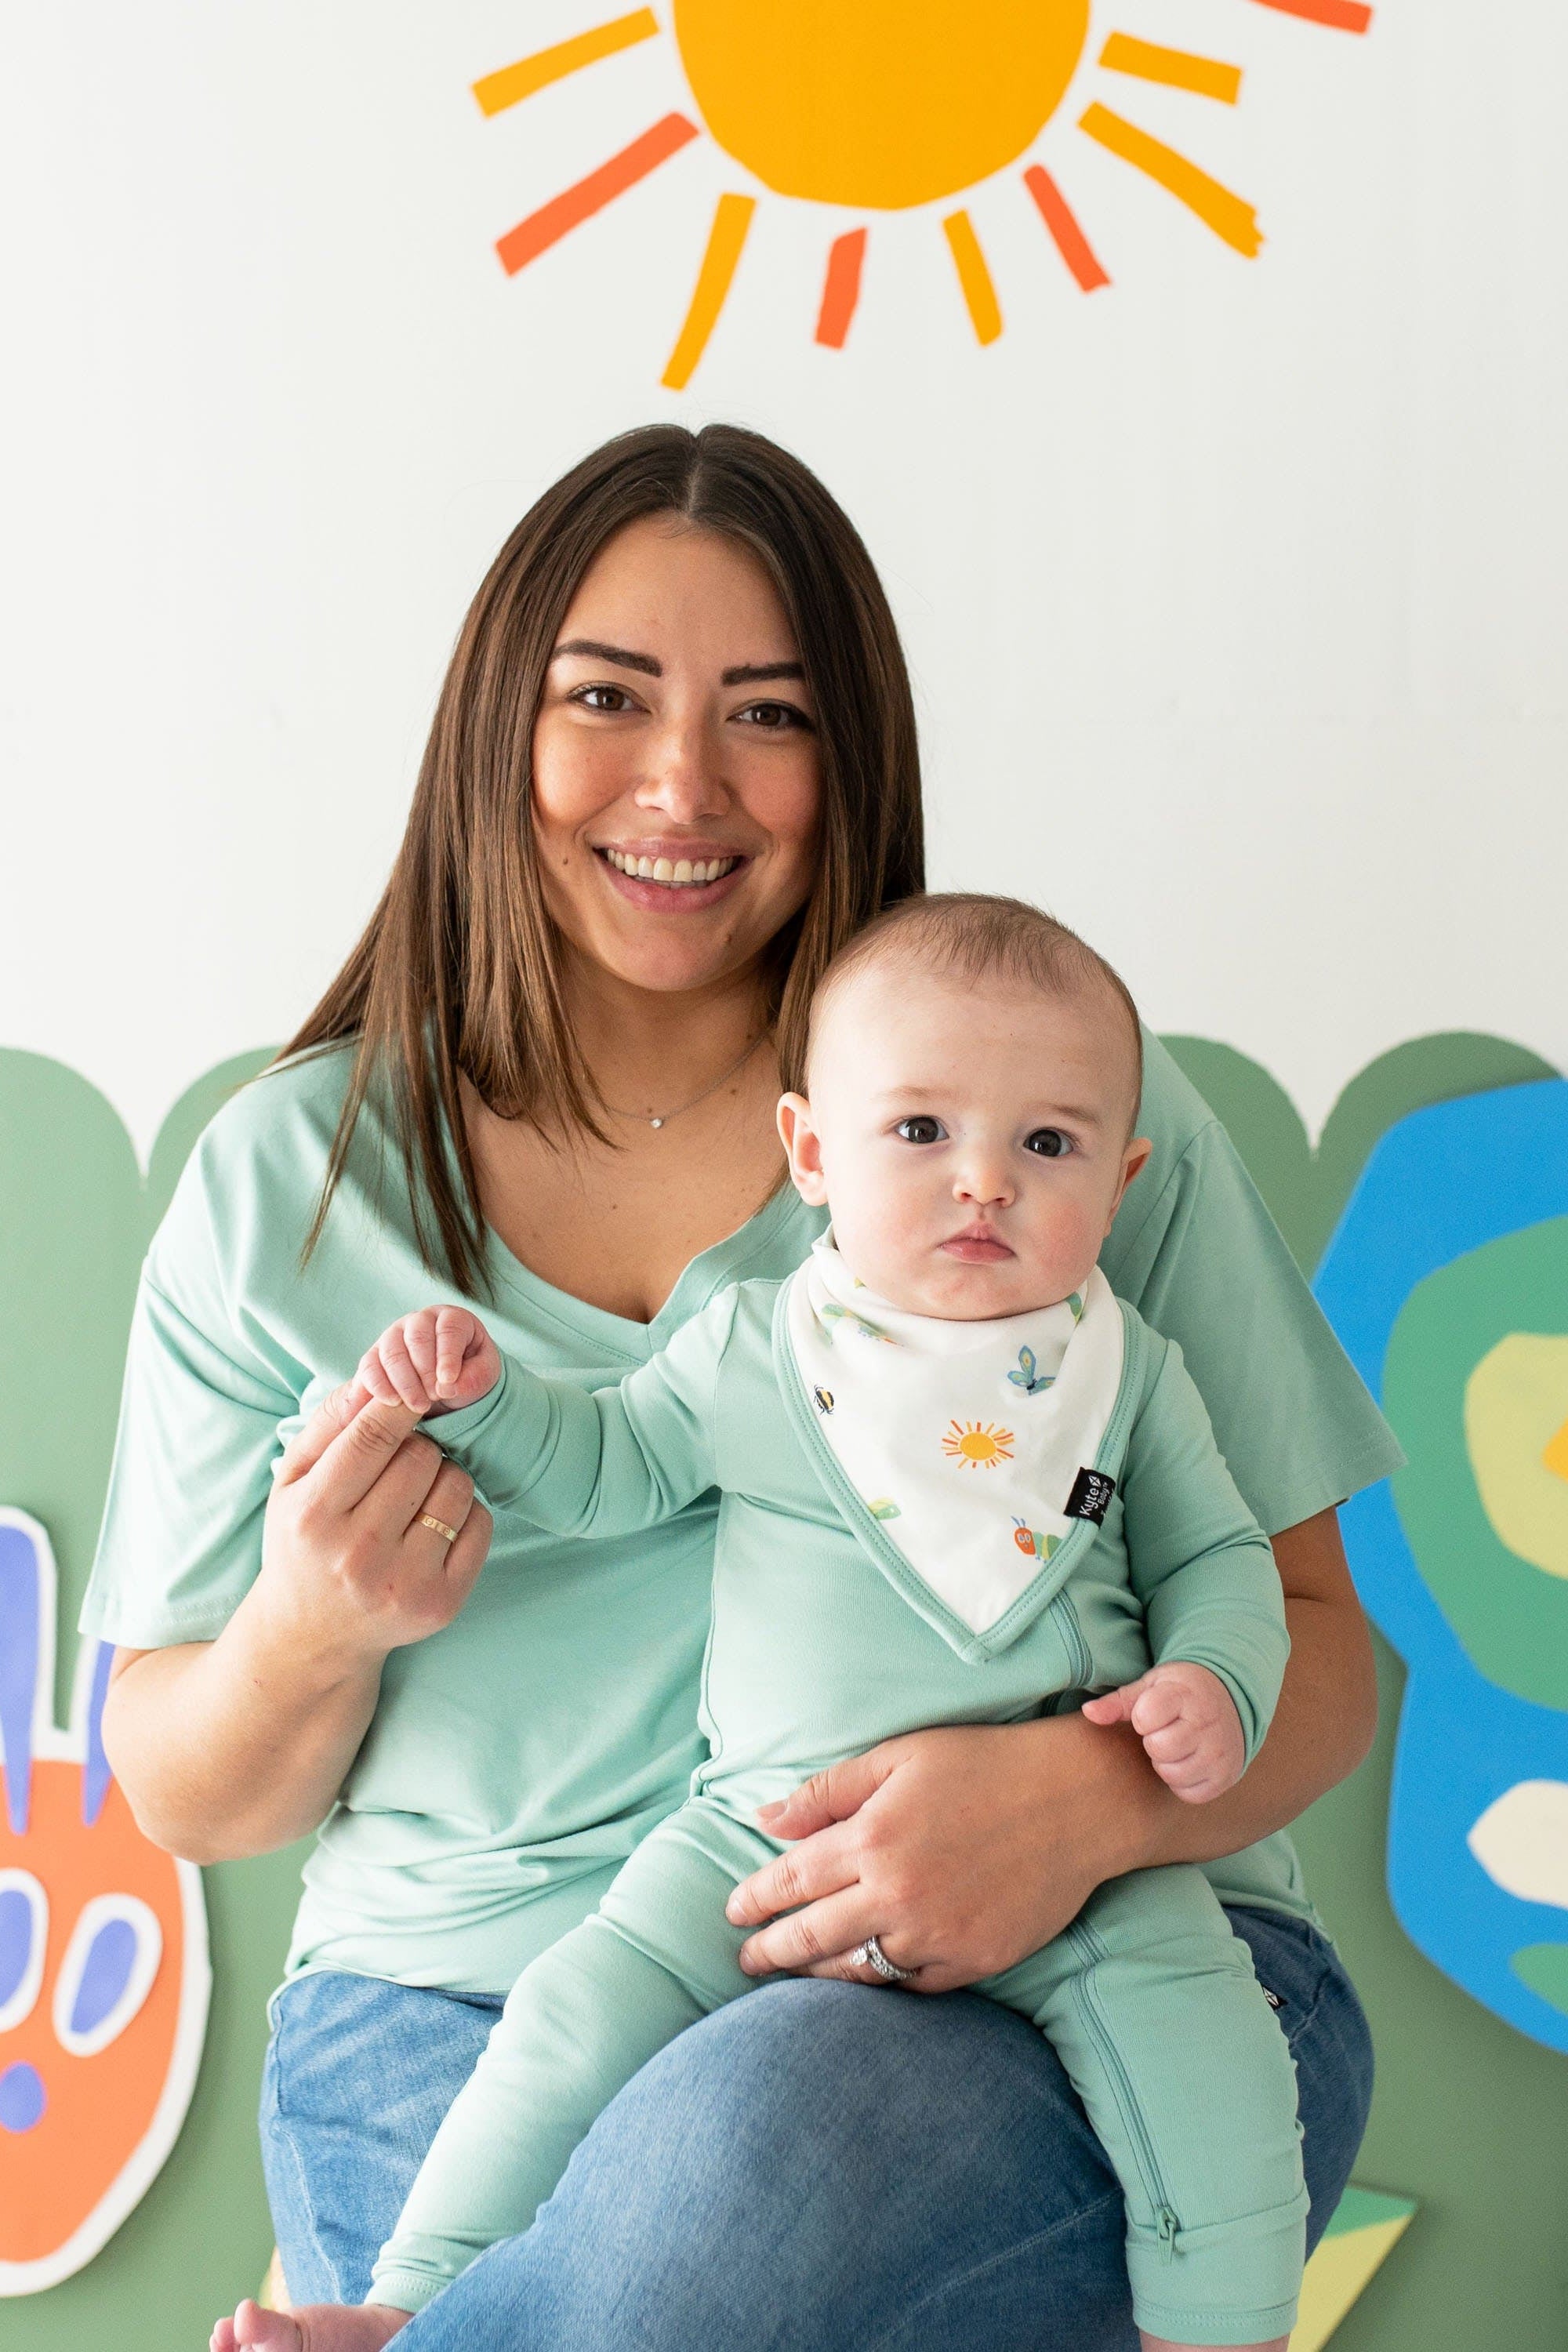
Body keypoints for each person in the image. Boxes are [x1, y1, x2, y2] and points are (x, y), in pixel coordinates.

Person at [86, 423, 1392, 2351]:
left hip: (1065, 1967)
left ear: (849, 756)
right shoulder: (291, 1176)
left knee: (736, 2153)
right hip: (457, 2015)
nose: (681, 784)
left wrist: (1077, 1806)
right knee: (644, 2226)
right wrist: (310, 1626)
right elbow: (190, 1794)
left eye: (767, 714)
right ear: (495, 729)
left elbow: (1318, 1651)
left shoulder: (1043, 1110)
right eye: (604, 697)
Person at [214, 895, 1310, 2352]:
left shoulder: (1128, 1374)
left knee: (1220, 2067)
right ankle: (407, 2304)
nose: (984, 1181)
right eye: (920, 1131)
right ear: (812, 1154)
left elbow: (1223, 1557)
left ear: (1121, 1183)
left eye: (1048, 1146)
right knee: (574, 2017)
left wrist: (1216, 1679)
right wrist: (489, 1404)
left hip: (1075, 1857)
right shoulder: (760, 1349)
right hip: (758, 1839)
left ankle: (1219, 2331)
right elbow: (607, 1468)